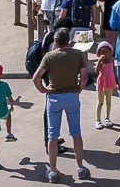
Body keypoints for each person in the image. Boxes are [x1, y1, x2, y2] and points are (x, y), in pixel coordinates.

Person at [30, 27, 92, 183]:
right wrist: (78, 90)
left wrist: (44, 90)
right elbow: (84, 78)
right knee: (76, 133)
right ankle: (80, 167)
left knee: (53, 135)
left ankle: (53, 170)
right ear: (68, 41)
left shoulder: (49, 56)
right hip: (72, 95)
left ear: (56, 42)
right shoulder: (78, 54)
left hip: (54, 97)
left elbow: (36, 78)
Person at [92, 42, 118, 129]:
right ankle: (98, 120)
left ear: (110, 52)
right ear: (99, 53)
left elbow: (114, 72)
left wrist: (117, 83)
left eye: (107, 52)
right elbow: (96, 71)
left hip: (109, 82)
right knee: (100, 102)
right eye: (102, 52)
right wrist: (99, 60)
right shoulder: (101, 61)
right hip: (102, 83)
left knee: (108, 101)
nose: (105, 54)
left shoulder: (111, 61)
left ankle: (107, 118)